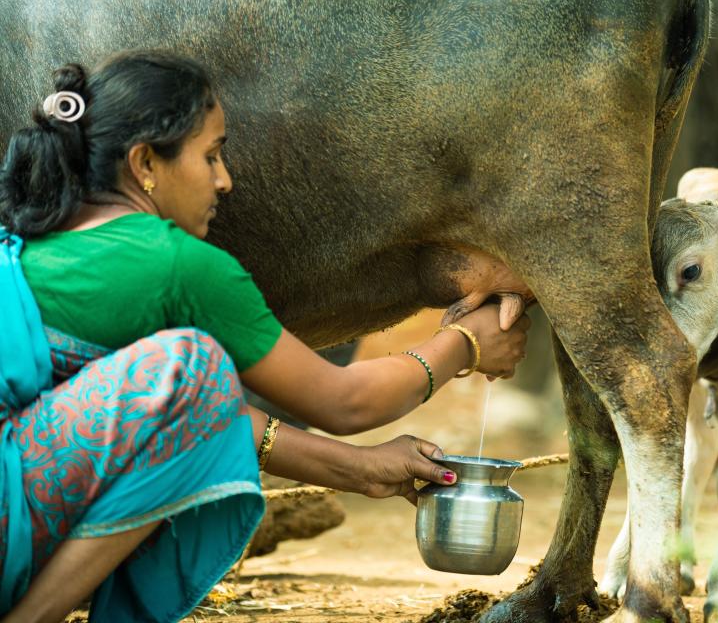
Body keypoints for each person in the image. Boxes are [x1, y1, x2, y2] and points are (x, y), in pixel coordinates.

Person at [0, 50, 530, 623]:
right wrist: (465, 344)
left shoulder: (39, 238)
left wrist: (359, 469)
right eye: (210, 155)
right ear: (145, 164)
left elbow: (190, 417)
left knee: (189, 382)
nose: (224, 181)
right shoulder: (177, 265)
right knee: (192, 365)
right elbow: (345, 401)